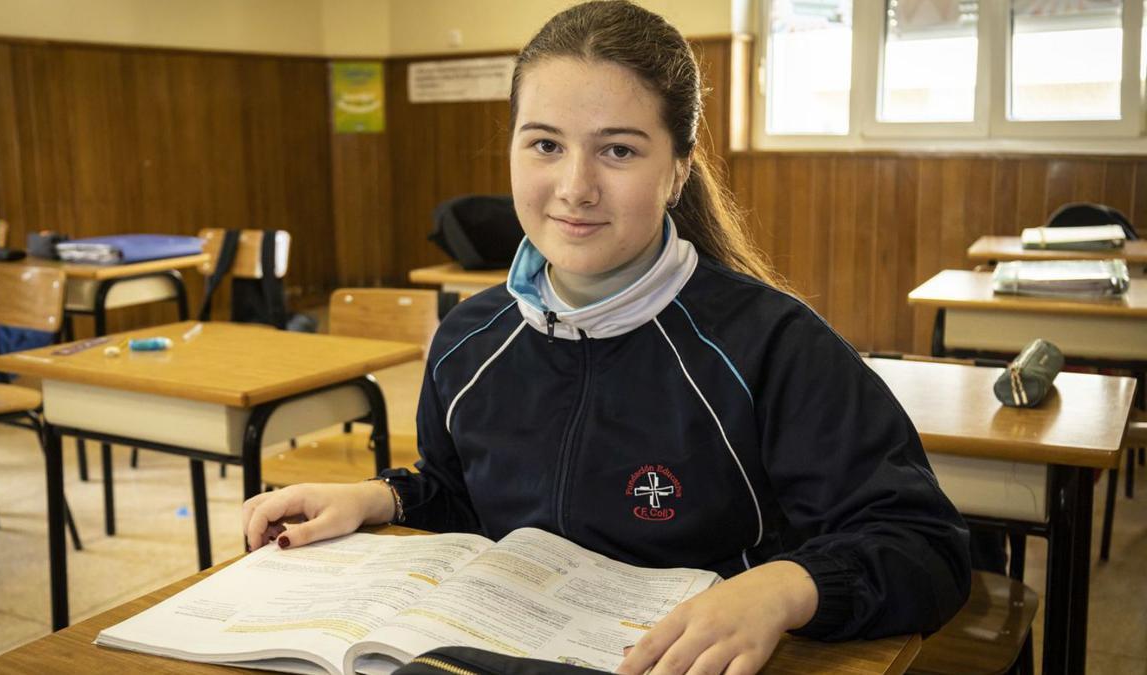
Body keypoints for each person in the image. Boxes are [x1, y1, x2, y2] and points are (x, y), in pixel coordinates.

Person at [242, 2, 971, 673]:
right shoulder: (469, 338)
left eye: (618, 151)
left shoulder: (772, 346)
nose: (576, 186)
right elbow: (467, 497)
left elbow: (925, 544)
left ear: (679, 168)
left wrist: (783, 587)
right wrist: (382, 499)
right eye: (545, 145)